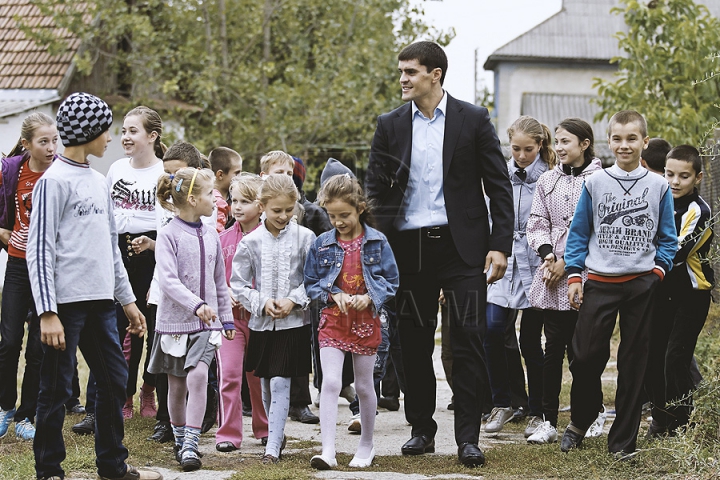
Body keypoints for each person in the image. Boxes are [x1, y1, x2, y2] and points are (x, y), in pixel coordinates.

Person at [365, 41, 514, 467]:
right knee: (411, 343)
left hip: (462, 248)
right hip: (407, 250)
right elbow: (374, 190)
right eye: (401, 71)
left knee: (468, 339)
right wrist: (378, 244)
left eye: (410, 71)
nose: (402, 79)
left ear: (435, 74)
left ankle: (468, 437)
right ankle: (421, 430)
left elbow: (498, 186)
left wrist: (500, 245)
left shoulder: (473, 119)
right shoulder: (390, 124)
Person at [27, 91, 161, 480]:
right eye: (106, 130)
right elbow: (39, 251)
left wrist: (128, 302)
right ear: (88, 132)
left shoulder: (99, 180)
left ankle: (112, 465)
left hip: (102, 303)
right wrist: (47, 312)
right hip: (64, 307)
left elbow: (110, 249)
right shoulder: (53, 183)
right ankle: (49, 468)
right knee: (55, 388)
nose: (111, 138)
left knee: (114, 379)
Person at [560, 110, 677, 457]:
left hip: (641, 283)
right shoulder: (595, 183)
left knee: (634, 363)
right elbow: (579, 233)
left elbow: (667, 238)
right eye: (617, 138)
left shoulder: (659, 186)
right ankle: (580, 421)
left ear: (644, 141)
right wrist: (575, 275)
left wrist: (657, 271)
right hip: (599, 281)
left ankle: (622, 442)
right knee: (583, 357)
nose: (623, 145)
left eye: (631, 138)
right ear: (608, 141)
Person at [304, 174, 399, 470]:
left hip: (366, 322)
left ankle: (366, 445)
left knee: (364, 385)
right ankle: (328, 450)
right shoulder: (321, 244)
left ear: (359, 207)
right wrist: (333, 293)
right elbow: (310, 282)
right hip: (333, 320)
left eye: (344, 215)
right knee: (330, 382)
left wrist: (370, 297)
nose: (338, 221)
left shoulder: (377, 241)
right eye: (332, 216)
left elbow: (392, 281)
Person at [148, 167, 235, 471]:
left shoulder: (212, 235)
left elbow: (219, 282)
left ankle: (191, 444)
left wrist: (226, 319)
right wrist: (196, 304)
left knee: (198, 376)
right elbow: (168, 282)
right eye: (212, 194)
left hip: (206, 326)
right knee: (176, 385)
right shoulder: (168, 235)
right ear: (194, 198)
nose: (217, 199)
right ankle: (178, 434)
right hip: (174, 325)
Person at [525, 118, 603, 444]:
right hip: (553, 275)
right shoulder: (547, 180)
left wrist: (568, 262)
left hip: (586, 274)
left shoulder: (600, 180)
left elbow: (598, 227)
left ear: (584, 144)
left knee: (584, 352)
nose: (559, 148)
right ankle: (548, 420)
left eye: (566, 141)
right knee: (552, 349)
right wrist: (548, 254)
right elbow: (537, 220)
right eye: (556, 141)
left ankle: (591, 414)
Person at [230, 174, 316, 465]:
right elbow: (238, 283)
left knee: (281, 382)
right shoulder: (250, 242)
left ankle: (272, 448)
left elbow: (314, 279)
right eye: (276, 210)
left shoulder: (305, 238)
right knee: (266, 382)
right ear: (262, 206)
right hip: (262, 324)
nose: (283, 216)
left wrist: (293, 300)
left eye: (288, 210)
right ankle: (274, 432)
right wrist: (262, 302)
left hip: (293, 324)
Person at [483, 116, 554, 436]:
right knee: (493, 328)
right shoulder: (499, 175)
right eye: (516, 149)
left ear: (539, 145)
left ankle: (538, 410)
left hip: (535, 264)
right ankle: (502, 402)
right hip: (502, 261)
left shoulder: (550, 178)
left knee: (530, 340)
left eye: (528, 149)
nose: (522, 155)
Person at [140, 141, 212, 444]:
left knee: (198, 371)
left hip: (202, 309)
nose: (172, 180)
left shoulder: (208, 216)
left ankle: (196, 427)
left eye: (177, 172)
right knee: (171, 371)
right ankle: (170, 424)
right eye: (167, 173)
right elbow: (168, 263)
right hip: (170, 304)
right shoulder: (166, 216)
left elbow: (212, 267)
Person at [646, 145, 714, 436]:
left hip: (691, 295)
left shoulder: (700, 211)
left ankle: (682, 423)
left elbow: (676, 252)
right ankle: (660, 420)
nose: (674, 181)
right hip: (661, 292)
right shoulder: (657, 200)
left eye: (683, 176)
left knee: (676, 357)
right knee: (653, 354)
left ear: (697, 178)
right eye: (669, 174)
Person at [105, 106, 166, 420]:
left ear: (152, 136)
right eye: (124, 131)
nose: (125, 137)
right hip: (119, 252)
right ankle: (124, 394)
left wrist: (155, 245)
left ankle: (148, 390)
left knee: (153, 328)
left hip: (153, 253)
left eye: (133, 131)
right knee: (122, 330)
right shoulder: (116, 169)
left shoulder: (164, 172)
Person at [0, 112, 57, 442]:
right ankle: (5, 406)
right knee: (8, 342)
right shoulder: (12, 171)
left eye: (54, 141)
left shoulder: (61, 172)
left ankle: (26, 414)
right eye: (43, 141)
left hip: (50, 269)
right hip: (19, 265)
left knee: (38, 347)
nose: (51, 148)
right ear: (27, 144)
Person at [215, 173, 269, 452]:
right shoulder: (222, 240)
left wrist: (251, 297)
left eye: (245, 201)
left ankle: (265, 429)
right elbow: (213, 281)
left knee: (259, 379)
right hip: (229, 322)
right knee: (230, 376)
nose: (237, 207)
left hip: (261, 321)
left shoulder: (270, 240)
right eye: (234, 200)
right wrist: (227, 295)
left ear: (261, 206)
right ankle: (228, 434)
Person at [208, 147, 243, 232]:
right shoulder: (208, 200)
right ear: (220, 175)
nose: (240, 177)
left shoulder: (236, 197)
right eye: (237, 173)